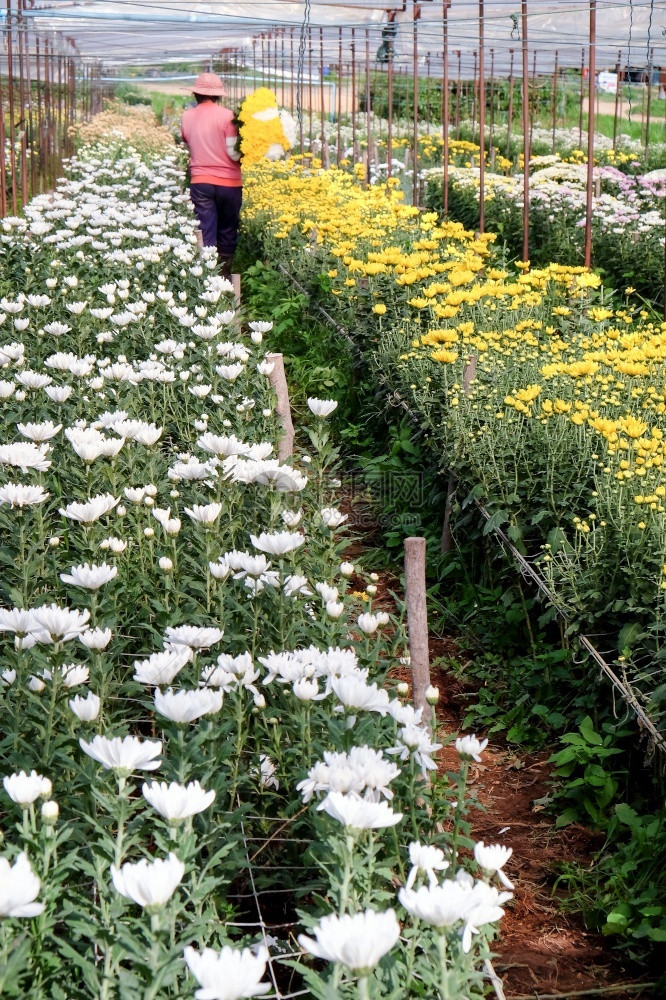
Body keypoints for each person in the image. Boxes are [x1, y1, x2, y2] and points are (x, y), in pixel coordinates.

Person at [180, 72, 242, 276]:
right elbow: (233, 154)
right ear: (218, 95)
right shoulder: (228, 116)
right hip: (229, 183)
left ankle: (206, 276)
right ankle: (224, 275)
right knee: (227, 229)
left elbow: (188, 142)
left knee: (206, 229)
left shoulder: (187, 116)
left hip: (201, 182)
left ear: (196, 94)